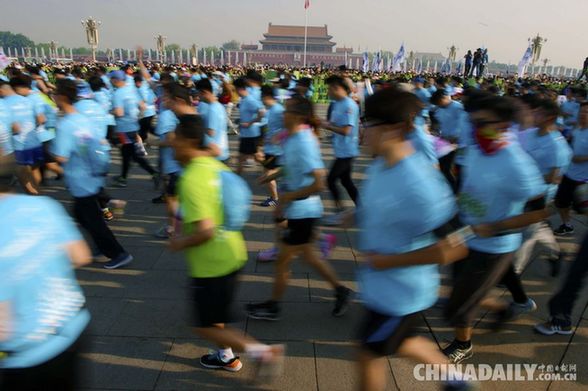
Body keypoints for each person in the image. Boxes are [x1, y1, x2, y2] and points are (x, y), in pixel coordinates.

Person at [356, 88, 473, 391]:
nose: (361, 130)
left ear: (392, 129)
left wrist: (389, 261)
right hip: (381, 286)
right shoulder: (381, 164)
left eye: (366, 123)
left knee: (368, 355)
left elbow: (457, 247)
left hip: (401, 293)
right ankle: (456, 381)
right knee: (405, 341)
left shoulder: (421, 185)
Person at [168, 116, 284, 378]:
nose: (171, 145)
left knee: (202, 326)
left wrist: (178, 243)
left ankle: (263, 352)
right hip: (233, 251)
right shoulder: (215, 165)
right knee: (215, 316)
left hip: (211, 262)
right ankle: (226, 356)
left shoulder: (192, 178)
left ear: (188, 141)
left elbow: (205, 231)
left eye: (175, 140)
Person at [442, 95, 548, 364]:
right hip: (465, 232)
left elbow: (539, 211)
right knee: (458, 290)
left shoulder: (517, 164)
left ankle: (462, 344)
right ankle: (501, 308)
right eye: (473, 122)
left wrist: (496, 226)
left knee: (457, 304)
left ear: (503, 125)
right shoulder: (476, 149)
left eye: (483, 123)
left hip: (494, 245)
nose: (476, 128)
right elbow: (466, 185)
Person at [246, 96, 352, 321]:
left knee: (285, 259)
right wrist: (271, 175)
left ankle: (273, 306)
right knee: (309, 256)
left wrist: (286, 199)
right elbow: (291, 169)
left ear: (298, 116)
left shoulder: (304, 141)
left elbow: (319, 181)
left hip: (304, 210)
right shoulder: (292, 139)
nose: (283, 114)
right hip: (299, 210)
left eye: (287, 111)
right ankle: (341, 290)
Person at [0, 153, 92, 391]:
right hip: (72, 326)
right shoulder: (44, 205)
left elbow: (2, 326)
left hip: (28, 352)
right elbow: (81, 255)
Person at [52, 79, 133, 270]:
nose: (53, 97)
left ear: (62, 97)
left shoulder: (65, 125)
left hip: (80, 179)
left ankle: (118, 253)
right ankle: (100, 248)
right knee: (82, 216)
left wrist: (50, 156)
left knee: (93, 221)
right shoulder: (81, 118)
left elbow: (61, 157)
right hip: (91, 174)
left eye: (55, 93)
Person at [109, 70, 158, 188]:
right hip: (133, 126)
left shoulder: (118, 94)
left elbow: (119, 113)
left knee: (131, 154)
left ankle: (154, 173)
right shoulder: (132, 90)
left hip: (124, 128)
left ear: (116, 80)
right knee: (127, 154)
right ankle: (123, 177)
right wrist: (134, 116)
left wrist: (110, 112)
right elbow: (143, 106)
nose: (110, 81)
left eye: (111, 79)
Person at [322, 75, 360, 225]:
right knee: (346, 181)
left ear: (338, 88)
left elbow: (346, 130)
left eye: (330, 88)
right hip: (341, 149)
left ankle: (340, 212)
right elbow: (332, 123)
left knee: (331, 180)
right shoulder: (337, 104)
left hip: (348, 150)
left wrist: (327, 126)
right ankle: (362, 210)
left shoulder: (349, 105)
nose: (328, 92)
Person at [0, 77, 43, 195]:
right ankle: (38, 195)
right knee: (34, 170)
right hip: (34, 141)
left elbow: (15, 128)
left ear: (1, 91)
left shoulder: (4, 104)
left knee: (24, 177)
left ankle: (34, 197)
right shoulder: (28, 100)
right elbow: (40, 119)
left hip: (19, 145)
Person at [554, 102, 588, 235]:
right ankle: (566, 225)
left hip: (584, 180)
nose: (583, 115)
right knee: (561, 203)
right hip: (569, 174)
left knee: (584, 210)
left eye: (587, 112)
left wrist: (582, 158)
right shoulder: (577, 129)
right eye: (582, 112)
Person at [258, 85, 285, 207]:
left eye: (261, 97)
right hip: (271, 148)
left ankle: (275, 198)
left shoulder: (278, 110)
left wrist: (278, 138)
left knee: (268, 174)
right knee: (268, 173)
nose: (261, 99)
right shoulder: (272, 109)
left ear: (266, 96)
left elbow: (288, 127)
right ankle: (276, 196)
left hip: (275, 150)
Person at [234, 77, 264, 175]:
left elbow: (262, 112)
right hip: (246, 134)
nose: (235, 92)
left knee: (254, 157)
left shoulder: (250, 100)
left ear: (240, 88)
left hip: (251, 134)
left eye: (235, 89)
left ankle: (272, 170)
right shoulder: (243, 99)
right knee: (244, 158)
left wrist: (251, 123)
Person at [196, 78, 230, 163]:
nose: (198, 97)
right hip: (223, 150)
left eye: (198, 94)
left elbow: (211, 132)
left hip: (215, 155)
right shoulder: (220, 106)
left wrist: (197, 127)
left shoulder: (212, 109)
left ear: (204, 92)